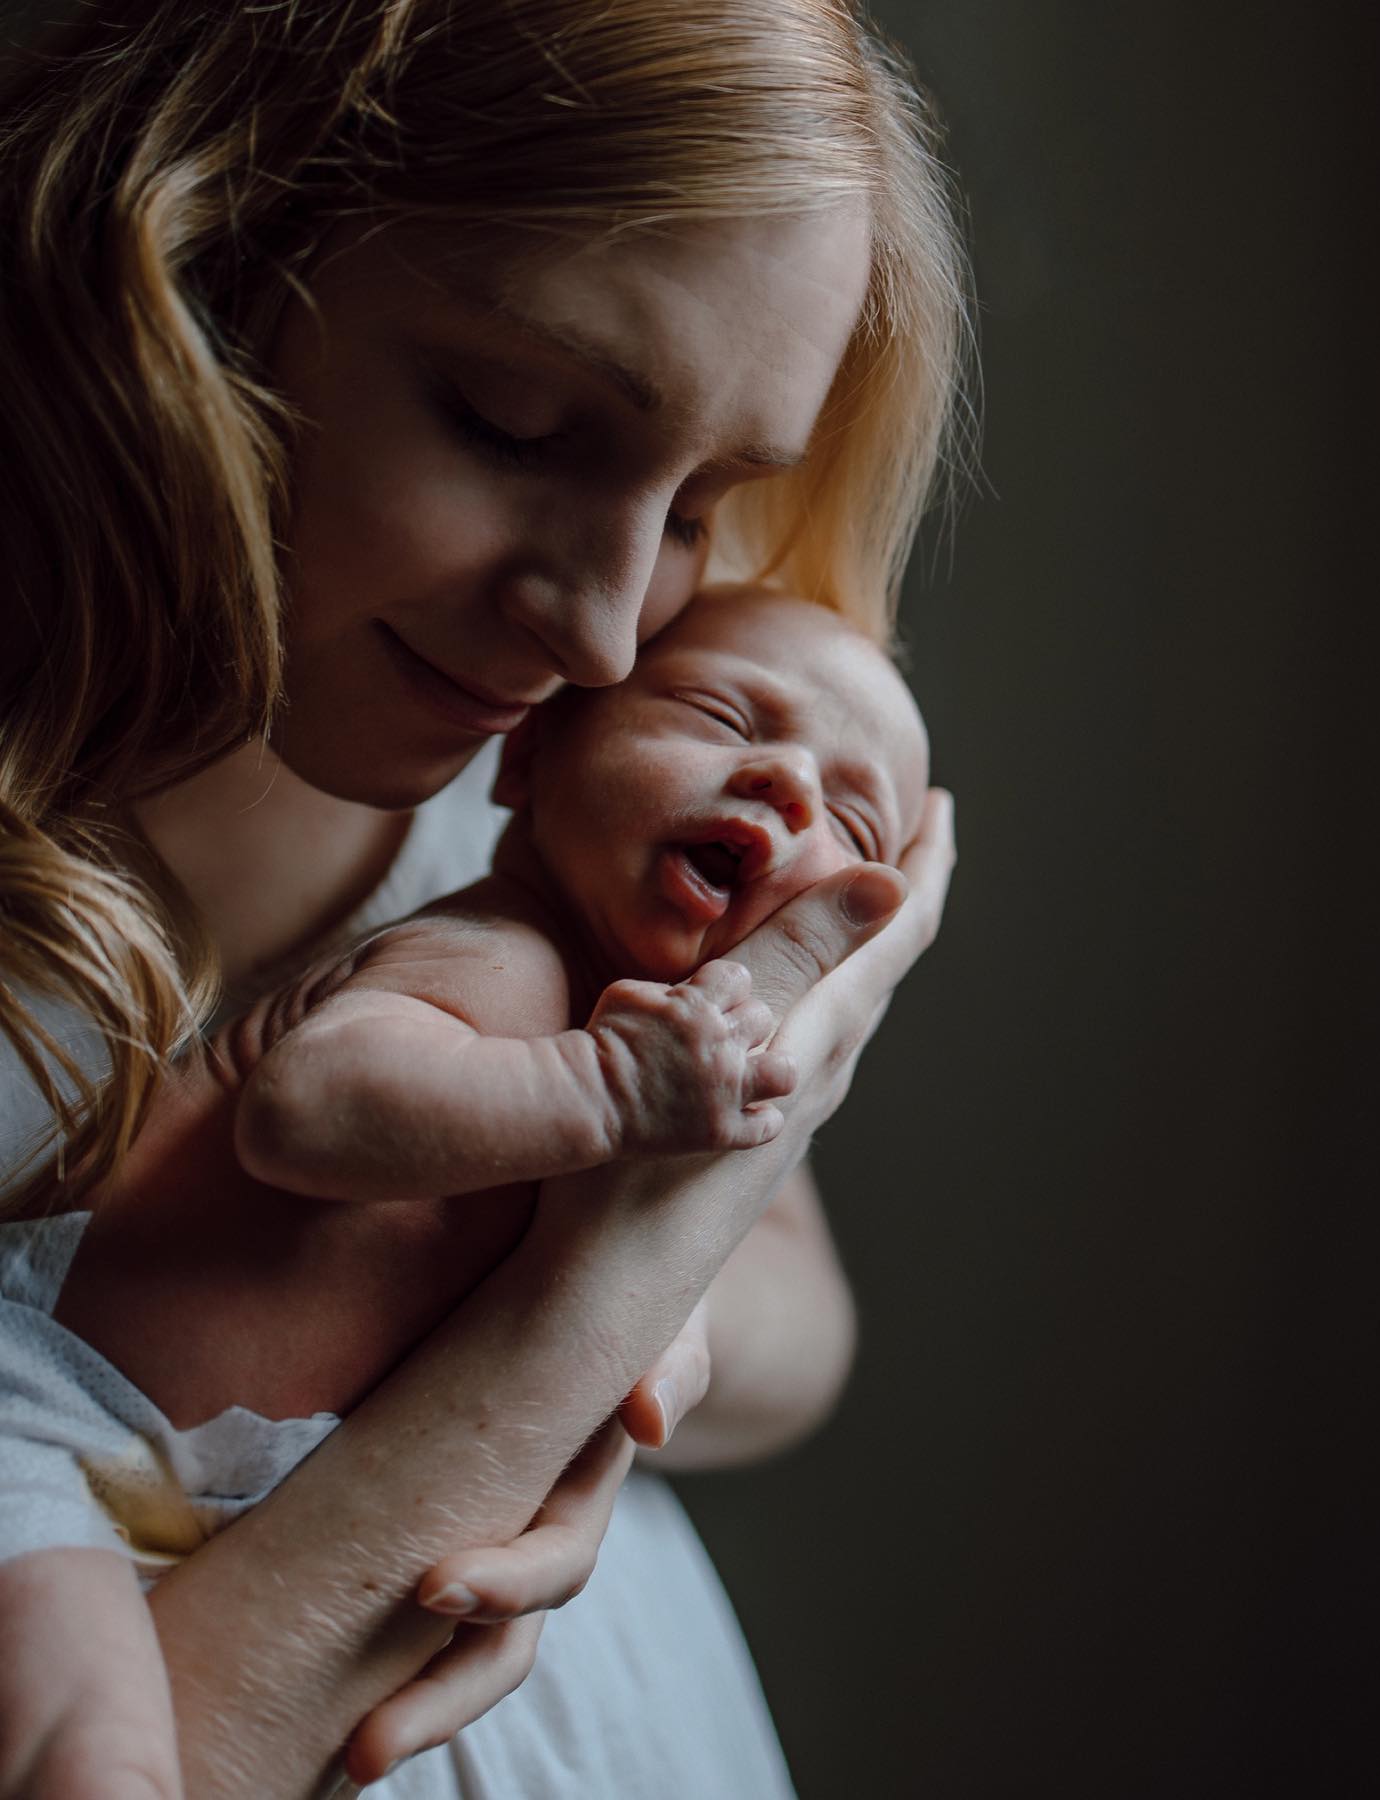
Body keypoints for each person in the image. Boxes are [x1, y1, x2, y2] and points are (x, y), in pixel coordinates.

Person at [0, 2, 973, 1795]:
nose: (608, 633)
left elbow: (798, 1314)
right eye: (515, 423)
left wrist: (624, 1340)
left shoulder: (553, 778)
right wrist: (505, 1391)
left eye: (701, 503)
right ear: (204, 259)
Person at [0, 588, 930, 1791]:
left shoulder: (666, 1065)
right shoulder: (504, 953)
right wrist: (604, 1091)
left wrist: (646, 1300)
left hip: (217, 1510)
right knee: (90, 1745)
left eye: (853, 819)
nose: (791, 788)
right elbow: (307, 1112)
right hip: (62, 1423)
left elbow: (799, 1318)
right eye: (723, 716)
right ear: (530, 759)